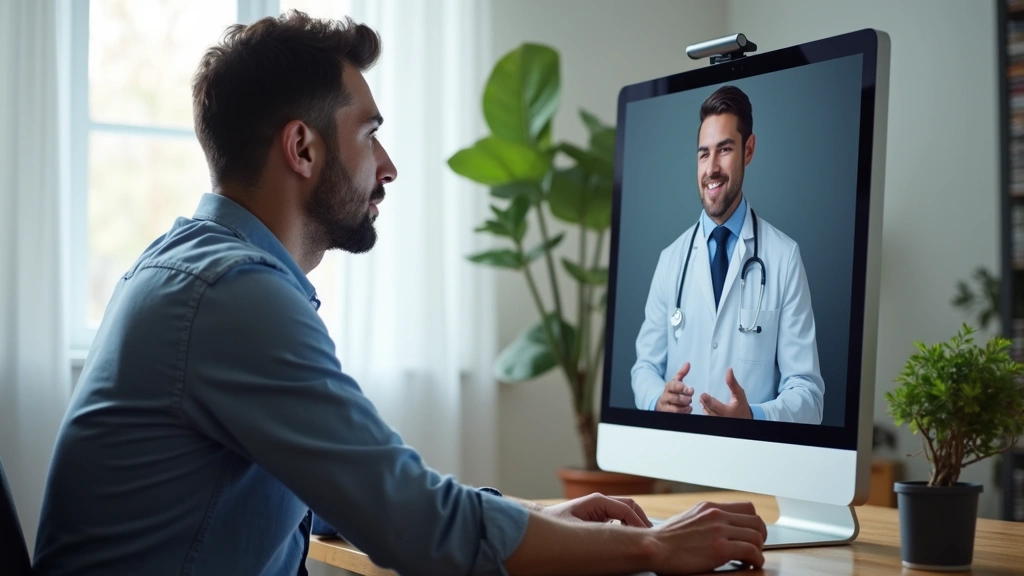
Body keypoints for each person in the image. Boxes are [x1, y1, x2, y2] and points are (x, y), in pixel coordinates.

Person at [33, 12, 767, 575]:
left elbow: (352, 495)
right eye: (370, 133)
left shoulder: (195, 271)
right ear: (303, 148)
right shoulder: (231, 296)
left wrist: (550, 516)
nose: (387, 166)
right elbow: (412, 522)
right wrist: (656, 550)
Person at [630, 85, 825, 424]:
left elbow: (808, 393)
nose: (712, 168)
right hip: (681, 462)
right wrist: (656, 400)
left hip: (751, 465)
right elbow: (644, 367)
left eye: (725, 150)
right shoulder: (671, 260)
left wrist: (755, 416)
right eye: (704, 154)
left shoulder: (784, 257)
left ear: (748, 150)